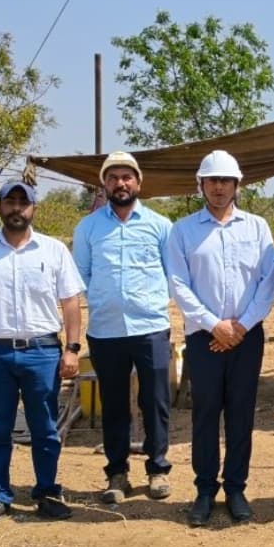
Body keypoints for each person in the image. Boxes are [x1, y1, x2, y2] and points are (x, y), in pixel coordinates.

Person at [0, 181, 84, 525]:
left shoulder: (53, 250)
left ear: (33, 209)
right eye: (9, 201)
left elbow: (70, 303)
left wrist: (72, 349)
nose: (16, 208)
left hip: (42, 352)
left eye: (22, 203)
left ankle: (47, 493)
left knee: (45, 430)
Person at [166, 150, 274, 526]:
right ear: (201, 185)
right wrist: (215, 325)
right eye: (212, 180)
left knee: (242, 413)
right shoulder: (182, 230)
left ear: (236, 185)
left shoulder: (257, 228)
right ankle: (203, 490)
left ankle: (235, 488)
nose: (218, 187)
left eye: (225, 180)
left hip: (247, 336)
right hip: (204, 338)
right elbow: (179, 284)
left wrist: (241, 326)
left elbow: (268, 281)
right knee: (206, 413)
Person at [72, 151, 173, 504]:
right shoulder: (88, 228)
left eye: (127, 177)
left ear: (139, 183)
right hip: (106, 330)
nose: (121, 183)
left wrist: (150, 301)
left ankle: (157, 469)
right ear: (104, 184)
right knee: (113, 404)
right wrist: (106, 299)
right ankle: (117, 474)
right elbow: (81, 275)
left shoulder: (160, 226)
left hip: (151, 327)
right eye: (113, 177)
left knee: (155, 400)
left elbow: (172, 274)